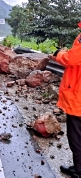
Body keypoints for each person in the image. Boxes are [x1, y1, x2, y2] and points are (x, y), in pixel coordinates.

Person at [49, 22, 81, 178]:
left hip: (79, 98)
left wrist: (58, 54)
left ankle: (79, 170)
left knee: (76, 135)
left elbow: (72, 58)